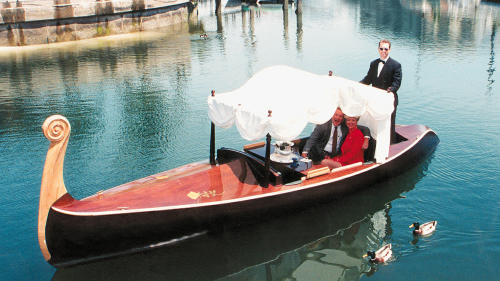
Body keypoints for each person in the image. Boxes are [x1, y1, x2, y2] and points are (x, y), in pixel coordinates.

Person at [360, 39, 402, 144]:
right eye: (381, 48)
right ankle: (374, 145)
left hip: (388, 100)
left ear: (390, 49)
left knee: (389, 125)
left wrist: (390, 89)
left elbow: (396, 83)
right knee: (375, 123)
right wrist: (358, 85)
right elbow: (368, 79)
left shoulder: (396, 65)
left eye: (386, 49)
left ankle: (390, 146)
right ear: (378, 49)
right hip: (375, 99)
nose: (383, 51)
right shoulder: (374, 63)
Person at [301, 107, 370, 164]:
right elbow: (312, 139)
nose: (338, 117)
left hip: (335, 155)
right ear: (332, 115)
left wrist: (366, 139)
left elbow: (365, 129)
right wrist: (305, 151)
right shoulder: (323, 125)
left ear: (343, 119)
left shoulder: (346, 125)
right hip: (320, 153)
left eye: (340, 116)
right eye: (336, 114)